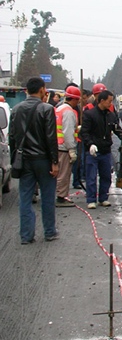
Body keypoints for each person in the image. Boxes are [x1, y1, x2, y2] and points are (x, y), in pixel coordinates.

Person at [8, 77, 60, 244]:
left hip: (24, 160)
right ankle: (50, 232)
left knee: (25, 197)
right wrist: (55, 161)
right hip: (43, 160)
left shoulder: (15, 110)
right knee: (47, 197)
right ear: (42, 90)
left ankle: (26, 235)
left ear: (27, 91)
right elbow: (51, 138)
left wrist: (14, 160)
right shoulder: (47, 109)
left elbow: (12, 138)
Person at [80, 90, 122, 209]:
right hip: (93, 151)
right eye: (109, 101)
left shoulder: (110, 115)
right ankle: (91, 199)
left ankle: (103, 198)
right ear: (101, 101)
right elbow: (84, 132)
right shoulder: (90, 115)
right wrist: (90, 144)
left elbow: (117, 130)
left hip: (106, 150)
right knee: (91, 176)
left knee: (106, 176)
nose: (111, 104)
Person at [55, 86, 81, 207]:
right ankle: (61, 197)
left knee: (58, 172)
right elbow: (68, 131)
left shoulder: (59, 108)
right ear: (74, 99)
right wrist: (72, 149)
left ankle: (59, 194)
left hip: (57, 145)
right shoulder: (69, 112)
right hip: (64, 147)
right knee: (64, 174)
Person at [72, 88, 91, 189]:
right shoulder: (76, 109)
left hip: (83, 137)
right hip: (76, 138)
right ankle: (76, 180)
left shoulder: (84, 109)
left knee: (82, 160)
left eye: (86, 98)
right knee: (78, 161)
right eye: (83, 98)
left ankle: (80, 178)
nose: (85, 100)